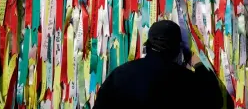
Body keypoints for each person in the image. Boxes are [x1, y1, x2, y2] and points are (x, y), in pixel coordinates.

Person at [93, 20, 234, 109]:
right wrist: (198, 64)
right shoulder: (186, 81)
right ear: (178, 51)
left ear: (147, 45)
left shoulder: (120, 75)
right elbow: (214, 101)